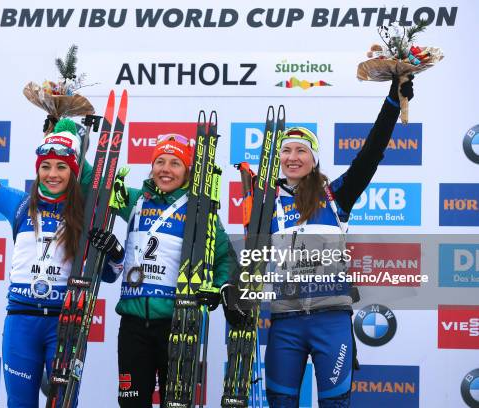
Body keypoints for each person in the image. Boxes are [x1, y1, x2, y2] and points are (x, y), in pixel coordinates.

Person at [223, 75, 415, 408]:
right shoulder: (265, 202)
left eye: (301, 150)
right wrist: (235, 289)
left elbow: (370, 155)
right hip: (285, 323)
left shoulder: (335, 194)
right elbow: (252, 258)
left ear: (314, 159)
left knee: (334, 404)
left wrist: (392, 102)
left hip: (331, 321)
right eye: (286, 150)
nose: (293, 157)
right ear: (278, 157)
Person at [0, 94, 122, 408]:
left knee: (63, 404)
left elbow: (108, 276)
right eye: (46, 167)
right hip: (21, 322)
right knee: (19, 403)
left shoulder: (85, 214)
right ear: (38, 169)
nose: (53, 174)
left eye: (61, 167)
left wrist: (115, 252)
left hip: (65, 323)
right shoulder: (18, 205)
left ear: (72, 172)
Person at [88, 134, 237, 407]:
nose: (165, 169)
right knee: (132, 403)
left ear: (188, 171)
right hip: (133, 326)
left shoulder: (200, 211)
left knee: (176, 403)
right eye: (160, 161)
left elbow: (225, 257)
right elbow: (93, 183)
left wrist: (217, 287)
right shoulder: (134, 200)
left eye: (175, 163)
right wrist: (67, 138)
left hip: (178, 324)